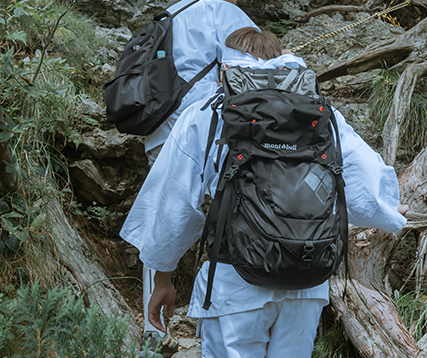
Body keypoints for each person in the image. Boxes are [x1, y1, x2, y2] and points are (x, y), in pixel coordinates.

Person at [120, 28, 409, 358]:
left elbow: (173, 203)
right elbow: (363, 180)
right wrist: (388, 211)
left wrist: (163, 279)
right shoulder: (320, 114)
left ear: (225, 69)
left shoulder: (210, 112)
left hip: (235, 283)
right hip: (305, 280)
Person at [139, 0, 258, 356]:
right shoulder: (226, 12)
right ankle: (218, 317)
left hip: (160, 131)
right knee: (227, 217)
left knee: (164, 212)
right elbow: (250, 68)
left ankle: (153, 328)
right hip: (207, 132)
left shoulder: (168, 14)